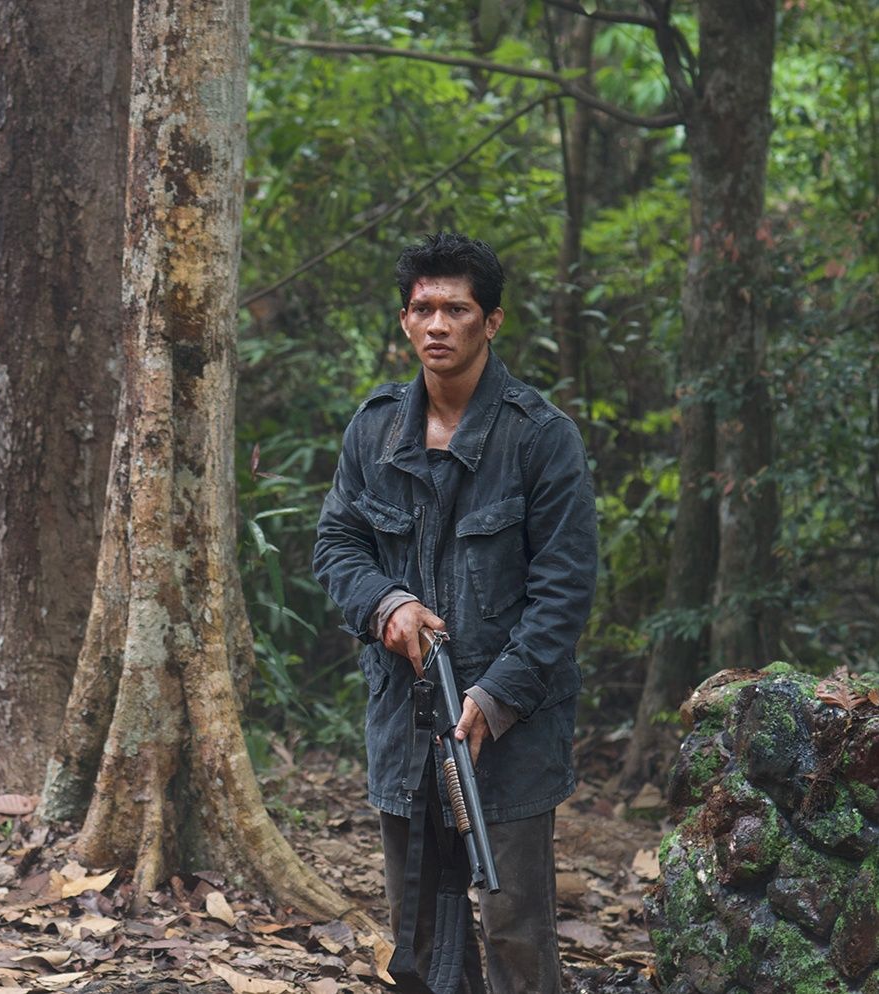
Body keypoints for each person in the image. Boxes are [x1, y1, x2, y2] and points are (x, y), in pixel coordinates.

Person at [313, 232, 597, 994]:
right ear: (405, 321)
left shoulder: (541, 439)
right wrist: (388, 605)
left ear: (492, 322)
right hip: (408, 722)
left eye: (457, 309)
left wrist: (494, 698)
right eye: (423, 308)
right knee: (421, 929)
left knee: (514, 927)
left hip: (512, 728)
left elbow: (564, 591)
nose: (438, 324)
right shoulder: (373, 431)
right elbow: (337, 544)